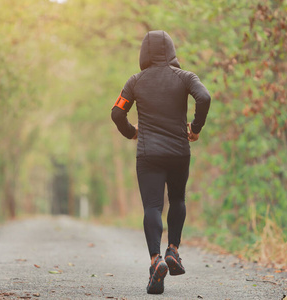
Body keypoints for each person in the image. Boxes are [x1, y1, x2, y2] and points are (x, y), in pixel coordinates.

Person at [111, 30, 211, 294]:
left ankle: (156, 261)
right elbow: (204, 97)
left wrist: (132, 132)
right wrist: (196, 128)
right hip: (179, 151)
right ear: (171, 50)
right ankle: (173, 251)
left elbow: (117, 112)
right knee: (177, 199)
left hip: (148, 154)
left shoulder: (135, 81)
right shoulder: (186, 77)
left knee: (153, 206)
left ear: (143, 53)